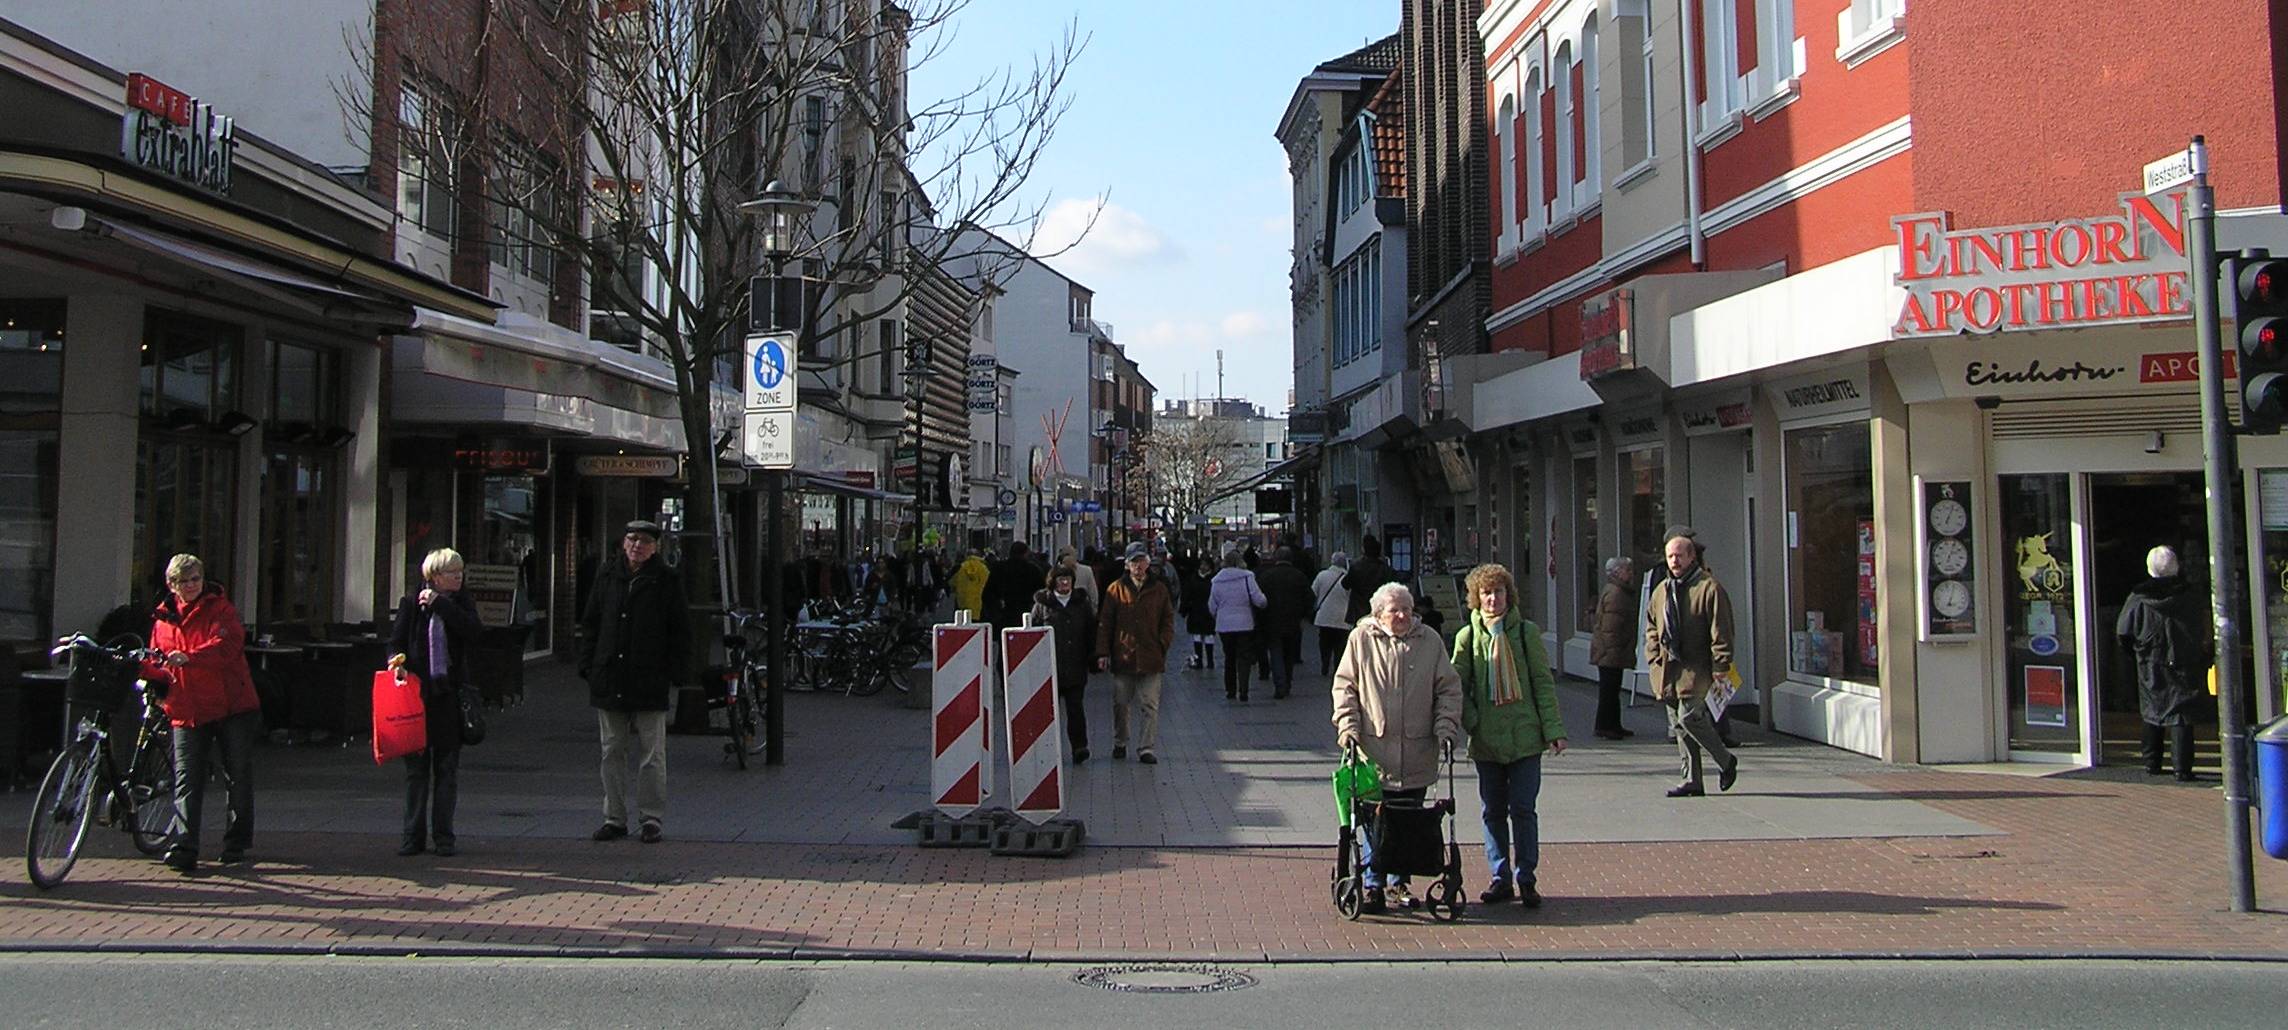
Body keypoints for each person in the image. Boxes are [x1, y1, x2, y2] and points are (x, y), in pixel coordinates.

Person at [1332, 582, 1463, 914]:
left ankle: (1397, 882)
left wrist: (1446, 726)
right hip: (1373, 751)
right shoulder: (1360, 640)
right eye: (1395, 610)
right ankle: (1373, 883)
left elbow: (1448, 688)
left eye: (1407, 609)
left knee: (1409, 821)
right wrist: (1347, 725)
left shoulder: (1429, 641)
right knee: (1375, 821)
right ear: (1379, 614)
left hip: (1418, 750)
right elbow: (1345, 687)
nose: (1403, 615)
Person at [1451, 563, 1567, 908]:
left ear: (1508, 595)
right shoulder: (1467, 637)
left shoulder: (1525, 633)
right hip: (1487, 741)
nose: (1492, 599)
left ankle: (1526, 877)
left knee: (1523, 808)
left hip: (1525, 737)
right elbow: (1458, 687)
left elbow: (1542, 684)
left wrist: (1554, 730)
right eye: (1486, 593)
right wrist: (1473, 722)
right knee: (1493, 811)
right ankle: (1499, 876)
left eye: (1498, 592)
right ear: (1476, 597)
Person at [145, 553, 260, 875]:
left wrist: (189, 657)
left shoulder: (221, 609)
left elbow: (226, 647)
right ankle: (184, 847)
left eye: (195, 579)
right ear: (172, 585)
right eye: (184, 581)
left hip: (232, 706)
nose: (191, 585)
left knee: (237, 774)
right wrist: (145, 671)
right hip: (187, 708)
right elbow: (157, 661)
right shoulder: (163, 620)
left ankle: (236, 842)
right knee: (186, 780)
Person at [577, 520, 691, 843]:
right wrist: (589, 666)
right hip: (610, 676)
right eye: (630, 539)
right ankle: (614, 817)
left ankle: (651, 818)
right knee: (611, 750)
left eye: (643, 541)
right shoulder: (608, 575)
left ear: (655, 546)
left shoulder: (666, 580)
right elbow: (591, 622)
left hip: (649, 679)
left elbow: (680, 631)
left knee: (651, 753)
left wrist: (673, 673)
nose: (635, 546)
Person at [386, 547, 482, 857]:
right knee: (416, 772)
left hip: (448, 697)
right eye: (452, 572)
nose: (459, 577)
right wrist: (395, 661)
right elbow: (395, 642)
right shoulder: (411, 605)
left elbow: (473, 632)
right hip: (416, 698)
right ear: (434, 577)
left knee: (447, 770)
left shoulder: (461, 604)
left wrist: (442, 606)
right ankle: (412, 836)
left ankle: (444, 837)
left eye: (460, 572)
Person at [1644, 532, 1739, 798]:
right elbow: (1651, 624)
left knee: (1690, 717)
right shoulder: (1662, 590)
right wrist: (1653, 654)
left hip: (1698, 668)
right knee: (1678, 724)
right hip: (1668, 668)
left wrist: (1721, 666)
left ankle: (1726, 760)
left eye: (1679, 555)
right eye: (1670, 556)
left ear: (1691, 557)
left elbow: (1722, 630)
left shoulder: (1709, 588)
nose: (1674, 561)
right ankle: (1692, 779)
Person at [2116, 545, 2209, 781]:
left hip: (2151, 660)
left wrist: (2136, 652)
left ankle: (2152, 761)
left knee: (2152, 709)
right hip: (2184, 659)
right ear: (2177, 567)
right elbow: (2204, 627)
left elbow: (2123, 631)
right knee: (2182, 713)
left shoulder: (2138, 598)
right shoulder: (2190, 596)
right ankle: (2182, 768)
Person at [1096, 542, 1178, 764]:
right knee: (1121, 703)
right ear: (1126, 565)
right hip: (1124, 655)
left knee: (1150, 704)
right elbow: (1106, 622)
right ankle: (1120, 741)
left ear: (1148, 563)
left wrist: (1162, 643)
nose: (1138, 566)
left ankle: (1146, 748)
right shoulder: (1116, 589)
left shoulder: (1158, 589)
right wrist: (1103, 652)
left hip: (1151, 656)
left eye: (1141, 561)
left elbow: (1168, 620)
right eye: (1134, 562)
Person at [1031, 566, 1098, 762]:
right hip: (1049, 666)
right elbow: (1033, 631)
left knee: (1075, 708)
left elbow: (1090, 631)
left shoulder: (1081, 603)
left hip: (1076, 665)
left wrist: (1094, 656)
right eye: (1061, 580)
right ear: (1053, 582)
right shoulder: (1043, 604)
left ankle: (1079, 746)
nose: (1065, 583)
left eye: (1068, 579)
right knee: (1048, 710)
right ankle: (1046, 748)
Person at [1206, 548, 1270, 702]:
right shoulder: (1247, 577)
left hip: (1224, 625)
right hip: (1245, 624)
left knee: (1229, 657)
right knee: (1244, 657)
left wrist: (1219, 614)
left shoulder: (1216, 581)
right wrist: (1264, 603)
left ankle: (1230, 689)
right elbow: (1258, 599)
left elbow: (1212, 605)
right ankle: (1243, 690)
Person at [1589, 556, 1640, 740]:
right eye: (1628, 570)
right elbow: (1611, 627)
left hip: (1612, 650)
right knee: (1609, 690)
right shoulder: (1616, 594)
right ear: (1618, 572)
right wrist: (1613, 652)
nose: (1631, 574)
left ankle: (1613, 724)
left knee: (1612, 690)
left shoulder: (1618, 591)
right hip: (1610, 651)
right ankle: (1605, 726)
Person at [1255, 546, 1314, 698]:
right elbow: (1310, 598)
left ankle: (1279, 684)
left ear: (1276, 558)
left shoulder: (1266, 576)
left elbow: (1259, 600)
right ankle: (1287, 682)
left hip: (1271, 621)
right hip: (1293, 621)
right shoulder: (1299, 576)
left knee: (1276, 652)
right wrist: (1304, 615)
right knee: (1289, 654)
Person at [1342, 534, 1403, 624]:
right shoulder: (1386, 569)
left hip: (1359, 610)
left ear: (1364, 550)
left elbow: (1345, 584)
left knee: (1359, 635)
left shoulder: (1356, 567)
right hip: (1379, 610)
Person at [1312, 552, 1352, 675]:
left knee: (1324, 642)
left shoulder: (1321, 575)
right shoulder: (1348, 578)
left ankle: (1325, 664)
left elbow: (1313, 592)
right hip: (1342, 617)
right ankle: (1337, 667)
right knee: (1340, 645)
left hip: (1324, 616)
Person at [983, 541, 1038, 630]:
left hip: (1004, 614)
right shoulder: (1033, 570)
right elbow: (1039, 592)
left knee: (1004, 640)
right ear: (1025, 554)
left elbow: (988, 593)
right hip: (1026, 615)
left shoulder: (999, 568)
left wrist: (994, 614)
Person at [1180, 554, 1217, 669]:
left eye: (1206, 564)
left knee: (1209, 635)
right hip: (1195, 610)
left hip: (1208, 611)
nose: (1203, 567)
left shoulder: (1213, 579)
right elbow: (1186, 594)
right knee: (1197, 635)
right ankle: (1199, 660)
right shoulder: (1195, 578)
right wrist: (1184, 608)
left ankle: (1210, 661)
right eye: (1202, 564)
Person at [950, 549, 989, 620]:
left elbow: (952, 584)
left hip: (962, 607)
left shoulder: (961, 568)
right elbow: (990, 585)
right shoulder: (984, 569)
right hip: (980, 608)